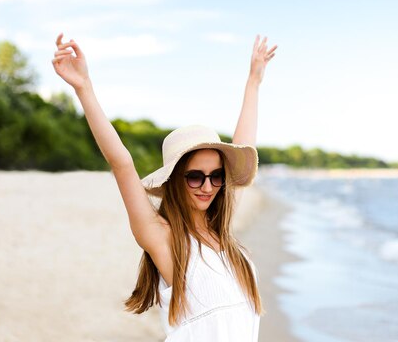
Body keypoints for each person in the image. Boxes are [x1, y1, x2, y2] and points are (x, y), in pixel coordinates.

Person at [52, 32, 277, 341]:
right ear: (174, 181)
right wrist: (84, 88)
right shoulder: (164, 238)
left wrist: (254, 81)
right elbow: (122, 164)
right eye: (195, 176)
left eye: (216, 176)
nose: (207, 186)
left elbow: (242, 145)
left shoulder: (222, 236)